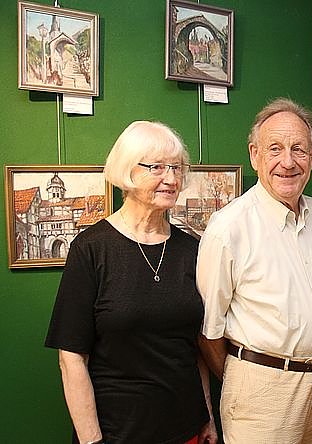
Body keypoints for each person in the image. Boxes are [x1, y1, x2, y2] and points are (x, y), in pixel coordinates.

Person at [45, 121, 218, 444]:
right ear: (128, 170)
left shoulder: (192, 249)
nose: (171, 178)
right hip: (117, 433)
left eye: (176, 168)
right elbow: (71, 358)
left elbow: (195, 348)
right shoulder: (91, 248)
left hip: (186, 428)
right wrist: (91, 440)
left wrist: (207, 415)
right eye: (157, 167)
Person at [196, 98, 312, 443]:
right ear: (254, 155)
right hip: (261, 391)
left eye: (299, 150)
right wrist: (251, 375)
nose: (287, 162)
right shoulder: (229, 228)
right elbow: (207, 331)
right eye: (274, 149)